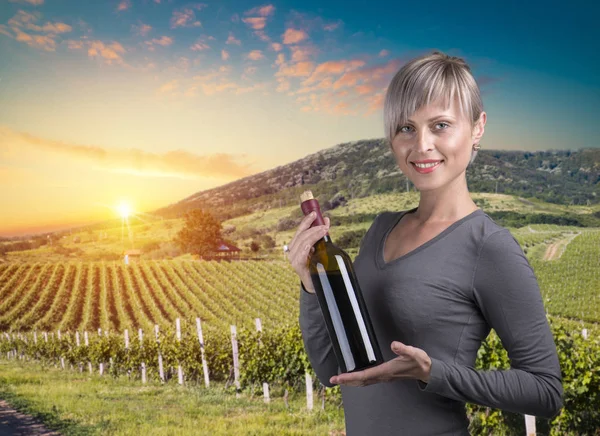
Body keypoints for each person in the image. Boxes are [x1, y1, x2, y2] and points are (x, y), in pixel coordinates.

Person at [285, 50, 563, 435]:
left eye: (441, 125)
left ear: (477, 128)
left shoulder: (489, 247)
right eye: (406, 128)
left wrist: (433, 372)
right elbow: (334, 371)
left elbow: (547, 392)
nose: (422, 146)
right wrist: (310, 287)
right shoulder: (380, 229)